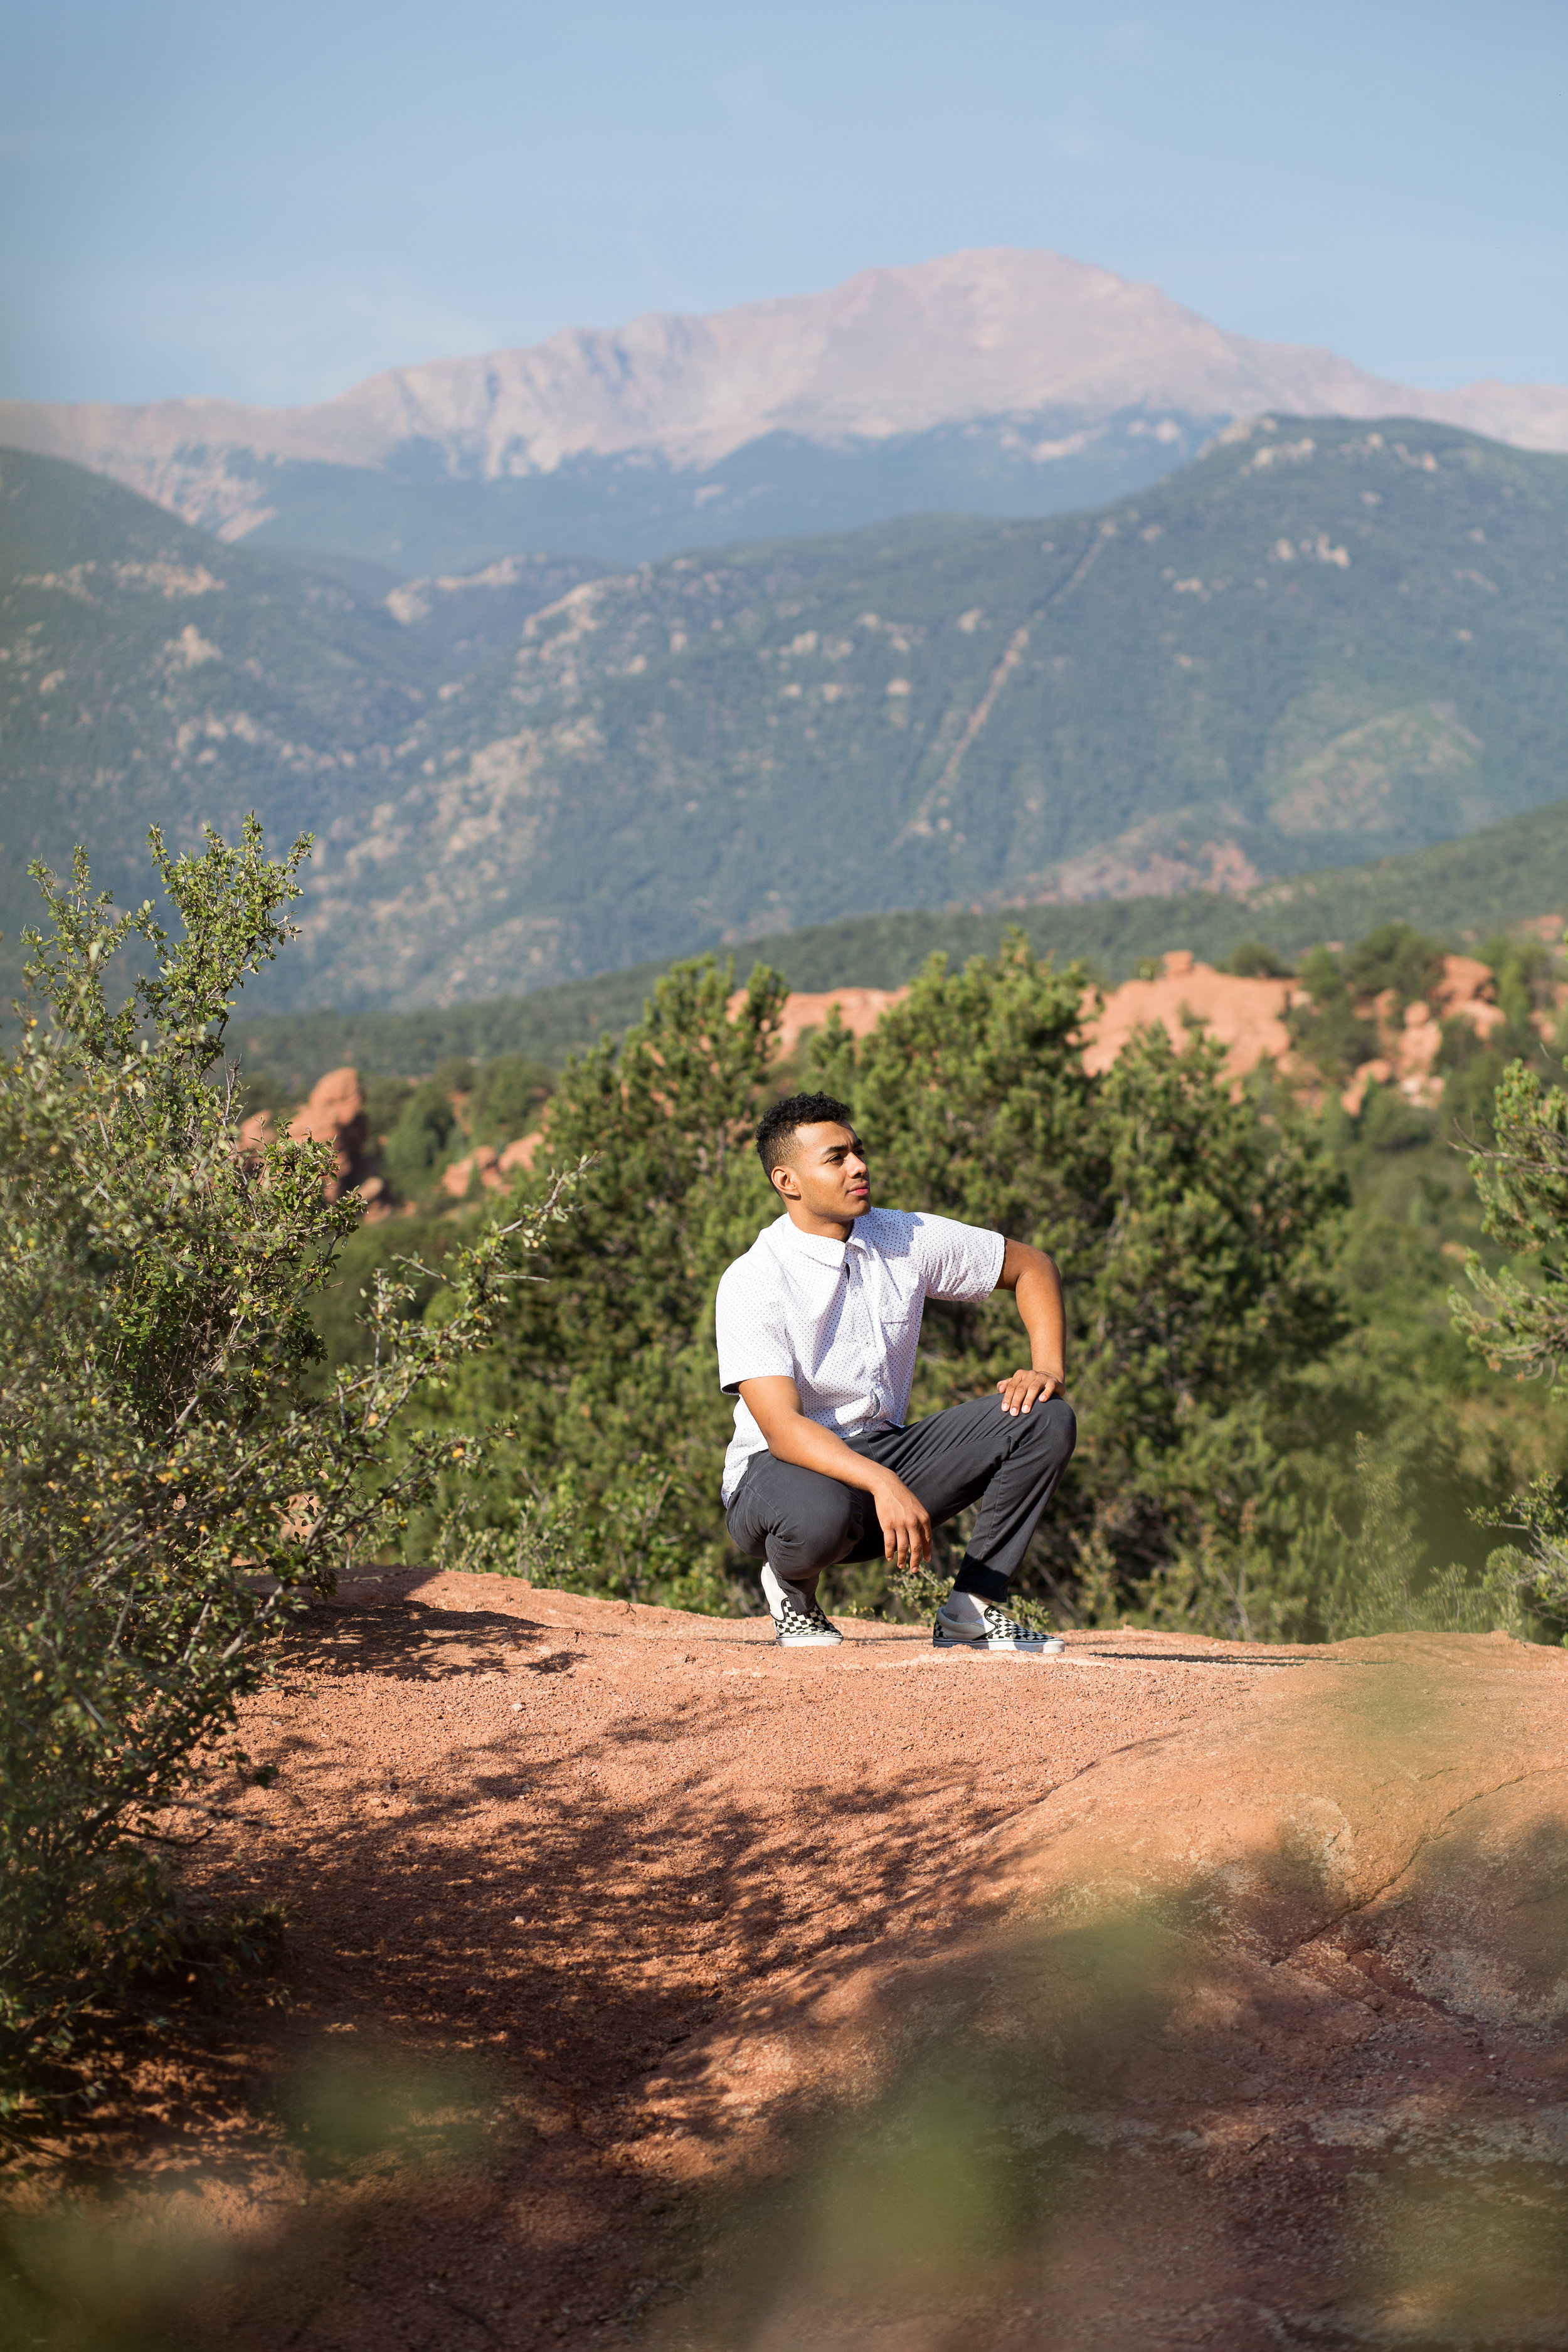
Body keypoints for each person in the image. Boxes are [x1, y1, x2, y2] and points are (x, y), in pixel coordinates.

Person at [715, 1091, 1076, 1653]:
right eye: (835, 1158)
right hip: (777, 1477)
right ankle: (792, 1588)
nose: (859, 1166)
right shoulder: (753, 1280)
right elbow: (783, 1430)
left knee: (1044, 1417)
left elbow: (1033, 1267)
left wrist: (1046, 1368)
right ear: (788, 1181)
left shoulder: (902, 1236)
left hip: (882, 1453)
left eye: (857, 1151)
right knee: (817, 1514)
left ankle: (971, 1610)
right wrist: (883, 1483)